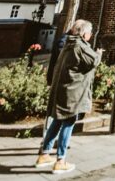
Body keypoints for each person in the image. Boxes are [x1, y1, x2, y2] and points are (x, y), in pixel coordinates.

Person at [35, 19, 100, 174]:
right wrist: (98, 54)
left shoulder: (67, 43)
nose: (91, 35)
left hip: (62, 89)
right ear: (85, 34)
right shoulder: (79, 46)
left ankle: (44, 153)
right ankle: (61, 160)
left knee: (57, 121)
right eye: (90, 32)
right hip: (72, 92)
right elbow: (93, 61)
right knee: (69, 122)